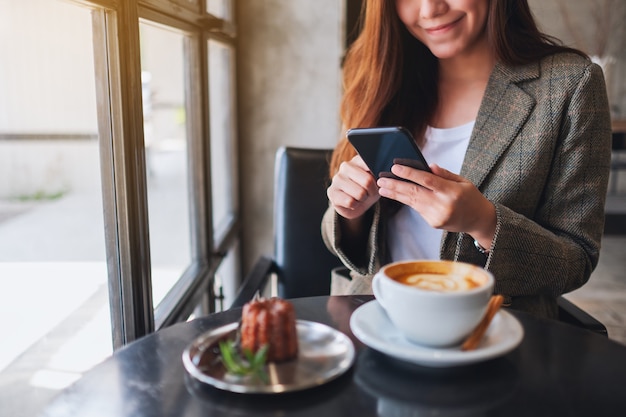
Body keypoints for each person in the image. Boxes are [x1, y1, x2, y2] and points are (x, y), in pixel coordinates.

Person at [322, 0, 612, 318]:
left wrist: (484, 222)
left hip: (495, 333)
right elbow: (338, 231)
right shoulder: (377, 73)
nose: (430, 10)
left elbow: (577, 258)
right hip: (374, 321)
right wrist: (350, 212)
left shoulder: (569, 85)